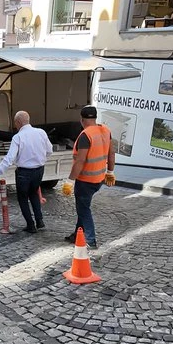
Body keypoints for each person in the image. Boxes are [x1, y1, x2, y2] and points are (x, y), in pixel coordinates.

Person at [62, 106, 116, 249]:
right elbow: (111, 154)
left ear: (82, 119)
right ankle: (77, 234)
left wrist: (70, 181)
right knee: (83, 206)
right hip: (99, 178)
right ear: (95, 118)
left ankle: (90, 240)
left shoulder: (86, 135)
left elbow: (80, 161)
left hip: (86, 180)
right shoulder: (106, 130)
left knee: (84, 209)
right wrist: (110, 172)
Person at [0, 111, 53, 234]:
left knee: (23, 198)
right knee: (34, 194)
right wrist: (41, 160)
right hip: (39, 170)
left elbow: (9, 158)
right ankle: (39, 221)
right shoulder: (41, 132)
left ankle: (31, 225)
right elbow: (49, 150)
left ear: (18, 122)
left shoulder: (18, 137)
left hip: (24, 173)